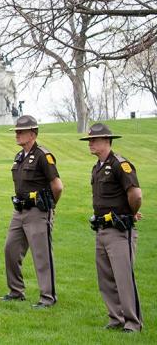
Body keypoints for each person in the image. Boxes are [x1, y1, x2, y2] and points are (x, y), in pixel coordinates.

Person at [82, 123, 143, 333]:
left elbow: (135, 194)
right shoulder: (97, 167)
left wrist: (131, 212)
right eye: (89, 140)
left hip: (119, 229)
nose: (90, 143)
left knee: (123, 276)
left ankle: (133, 322)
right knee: (106, 276)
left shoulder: (120, 164)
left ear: (107, 140)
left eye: (94, 140)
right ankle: (116, 317)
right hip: (101, 228)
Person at [3, 115, 63, 308]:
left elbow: (57, 186)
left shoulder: (43, 155)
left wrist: (49, 207)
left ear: (33, 134)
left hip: (38, 211)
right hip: (19, 211)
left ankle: (48, 297)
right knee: (10, 249)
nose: (17, 135)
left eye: (21, 132)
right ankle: (16, 291)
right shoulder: (19, 156)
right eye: (16, 132)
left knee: (41, 255)